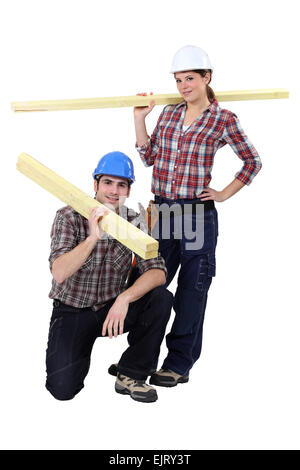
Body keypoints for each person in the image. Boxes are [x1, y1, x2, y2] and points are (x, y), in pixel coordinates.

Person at [133, 45, 262, 387]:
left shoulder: (223, 119)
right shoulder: (170, 114)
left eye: (190, 78)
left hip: (196, 216)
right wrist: (139, 120)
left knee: (192, 291)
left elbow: (253, 162)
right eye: (178, 80)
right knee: (150, 285)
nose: (184, 86)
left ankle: (177, 365)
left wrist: (222, 193)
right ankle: (138, 361)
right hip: (161, 211)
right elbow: (149, 158)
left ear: (207, 78)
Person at [45, 151, 173, 403]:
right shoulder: (68, 216)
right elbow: (59, 272)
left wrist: (124, 298)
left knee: (160, 298)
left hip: (111, 310)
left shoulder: (134, 222)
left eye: (121, 185)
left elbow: (158, 272)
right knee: (62, 390)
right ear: (95, 184)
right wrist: (92, 237)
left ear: (128, 190)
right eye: (108, 183)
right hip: (72, 311)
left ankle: (131, 373)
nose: (114, 191)